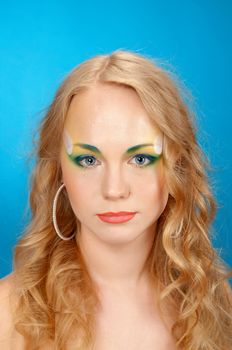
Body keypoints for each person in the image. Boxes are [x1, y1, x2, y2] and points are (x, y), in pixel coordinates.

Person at [0, 49, 232, 350]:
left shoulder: (220, 308)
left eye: (140, 158)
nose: (114, 189)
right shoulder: (7, 315)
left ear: (178, 166)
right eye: (87, 160)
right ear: (58, 171)